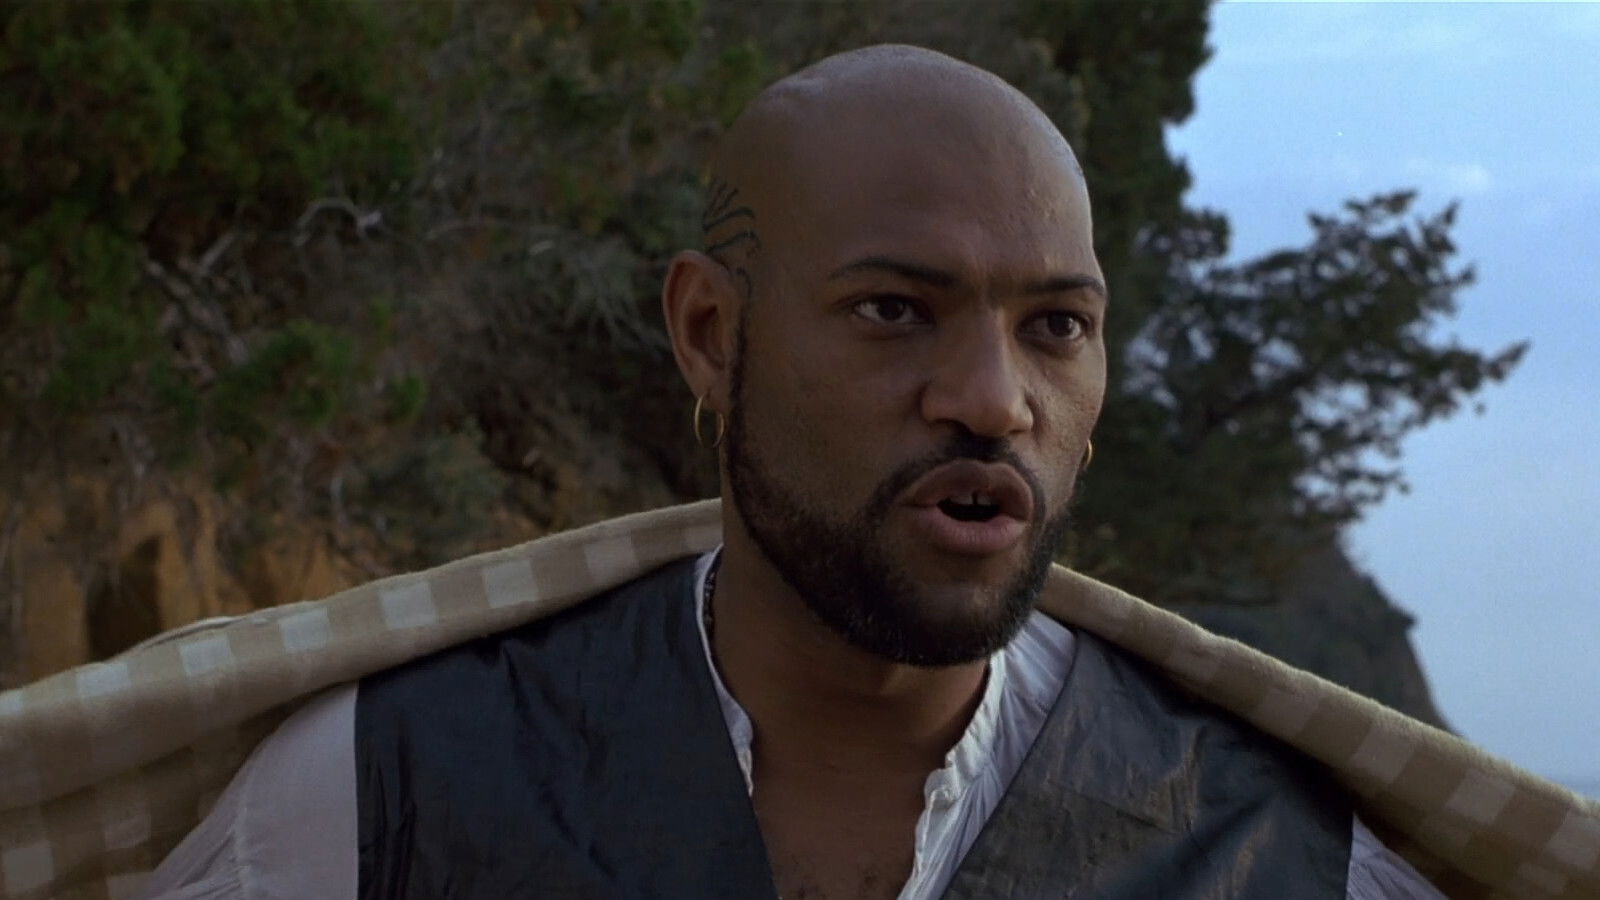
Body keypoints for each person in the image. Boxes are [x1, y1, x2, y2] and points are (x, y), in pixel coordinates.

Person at [138, 45, 1446, 899]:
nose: (994, 400)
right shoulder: (376, 803)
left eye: (1057, 326)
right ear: (712, 335)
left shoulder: (1278, 858)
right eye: (894, 310)